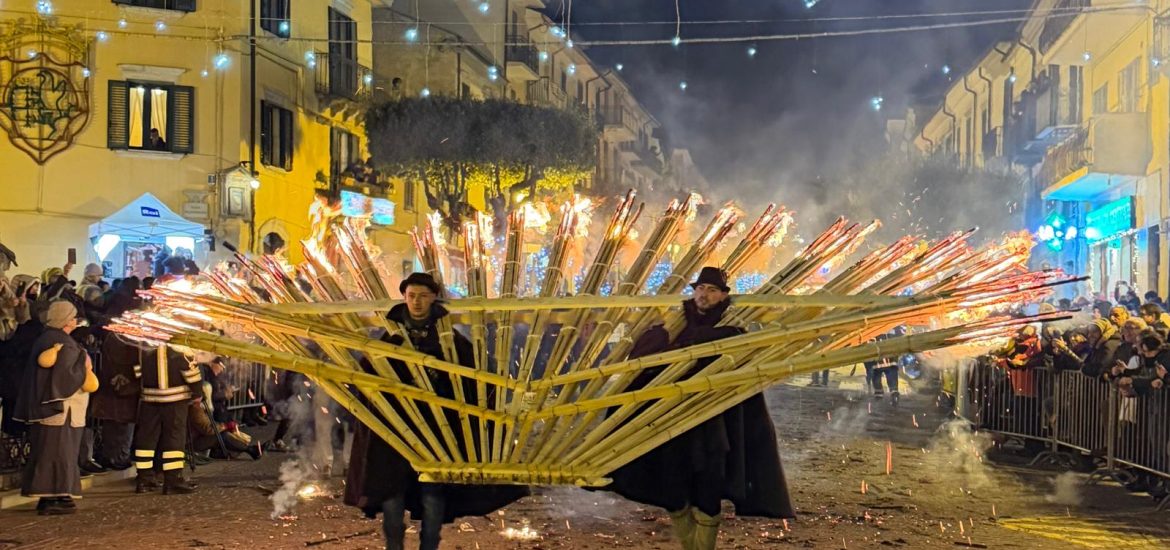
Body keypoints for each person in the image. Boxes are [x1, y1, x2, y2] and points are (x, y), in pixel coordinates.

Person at [604, 267, 795, 549]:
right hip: (668, 416)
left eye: (712, 290)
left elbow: (738, 355)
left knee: (708, 486)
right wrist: (671, 339)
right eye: (701, 288)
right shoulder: (677, 322)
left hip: (713, 421)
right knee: (673, 487)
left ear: (723, 296)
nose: (704, 294)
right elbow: (644, 357)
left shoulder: (732, 327)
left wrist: (704, 340)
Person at [345, 272, 526, 550]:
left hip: (438, 431)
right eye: (411, 296)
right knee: (392, 498)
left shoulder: (448, 339)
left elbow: (474, 377)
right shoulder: (390, 338)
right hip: (395, 433)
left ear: (433, 299)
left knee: (432, 496)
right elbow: (368, 379)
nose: (417, 302)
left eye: (423, 296)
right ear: (404, 298)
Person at [12, 301, 98, 515]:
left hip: (54, 411)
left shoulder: (47, 338)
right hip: (60, 410)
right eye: (73, 317)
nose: (76, 321)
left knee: (53, 451)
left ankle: (56, 495)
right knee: (58, 452)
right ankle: (54, 496)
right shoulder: (60, 342)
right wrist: (84, 363)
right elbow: (67, 374)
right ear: (66, 320)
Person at [132, 345, 201, 494]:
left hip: (149, 396)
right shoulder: (178, 342)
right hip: (175, 397)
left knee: (146, 438)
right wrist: (198, 391)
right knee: (174, 437)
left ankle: (144, 479)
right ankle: (173, 480)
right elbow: (190, 369)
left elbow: (137, 369)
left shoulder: (144, 341)